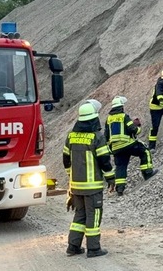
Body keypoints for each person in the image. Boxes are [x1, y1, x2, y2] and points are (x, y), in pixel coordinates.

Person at [62, 99, 115, 258]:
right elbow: (104, 160)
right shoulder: (97, 137)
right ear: (94, 118)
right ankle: (93, 249)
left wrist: (71, 177)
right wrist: (111, 178)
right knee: (94, 216)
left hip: (76, 187)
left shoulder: (71, 137)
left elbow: (66, 160)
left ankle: (73, 246)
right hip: (92, 188)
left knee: (80, 215)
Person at [105, 96, 157, 196]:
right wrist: (138, 126)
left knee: (121, 166)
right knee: (145, 150)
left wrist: (111, 148)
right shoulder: (124, 116)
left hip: (116, 148)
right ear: (121, 107)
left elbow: (106, 135)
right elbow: (133, 129)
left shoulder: (108, 119)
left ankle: (120, 189)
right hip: (128, 144)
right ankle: (147, 172)